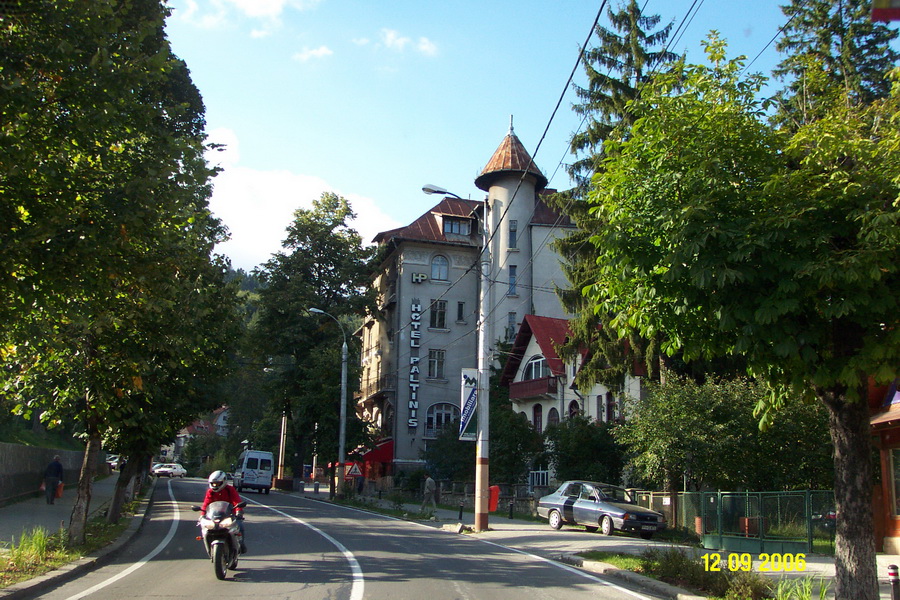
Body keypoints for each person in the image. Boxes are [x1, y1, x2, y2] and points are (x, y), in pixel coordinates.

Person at [201, 471, 246, 553]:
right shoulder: (210, 492)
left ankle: (241, 544)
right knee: (206, 529)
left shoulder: (230, 490)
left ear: (223, 481)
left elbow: (236, 500)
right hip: (214, 515)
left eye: (217, 483)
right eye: (213, 483)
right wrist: (202, 514)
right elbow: (206, 503)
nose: (215, 485)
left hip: (229, 514)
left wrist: (239, 511)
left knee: (240, 526)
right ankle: (209, 549)